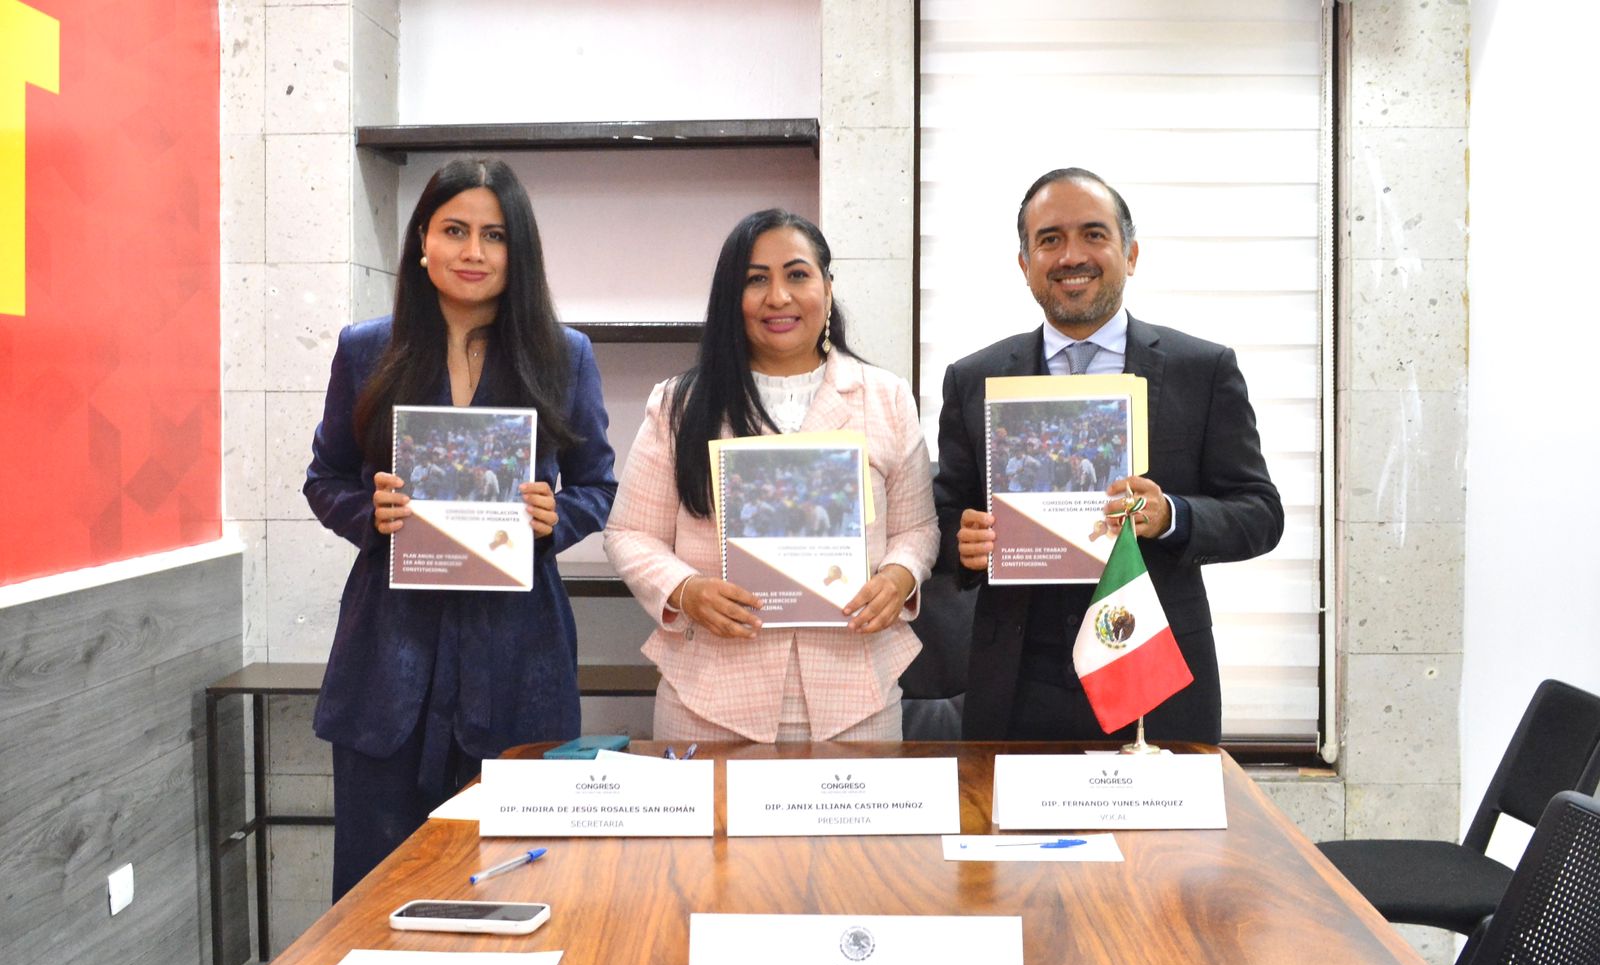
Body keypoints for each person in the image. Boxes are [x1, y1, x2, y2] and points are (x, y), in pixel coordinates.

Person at [304, 158, 616, 900]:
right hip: (390, 655)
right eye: (454, 231)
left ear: (518, 250)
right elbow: (325, 478)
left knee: (517, 882)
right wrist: (368, 513)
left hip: (517, 653)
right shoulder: (365, 348)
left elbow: (598, 484)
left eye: (494, 235)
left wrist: (556, 518)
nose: (473, 252)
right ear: (422, 242)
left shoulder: (564, 354)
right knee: (379, 889)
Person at [934, 168, 1282, 744]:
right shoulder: (974, 378)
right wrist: (962, 544)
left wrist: (1171, 515)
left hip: (1155, 674)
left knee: (1163, 811)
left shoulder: (1203, 370)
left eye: (1094, 235)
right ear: (1024, 264)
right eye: (1049, 240)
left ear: (1131, 254)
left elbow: (1260, 513)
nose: (1072, 255)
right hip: (1017, 682)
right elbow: (944, 516)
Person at [604, 208, 938, 742]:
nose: (778, 297)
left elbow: (918, 529)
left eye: (797, 275)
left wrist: (899, 577)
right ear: (730, 297)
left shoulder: (887, 397)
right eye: (756, 280)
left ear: (828, 288)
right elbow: (628, 533)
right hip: (710, 698)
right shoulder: (678, 404)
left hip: (857, 697)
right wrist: (685, 590)